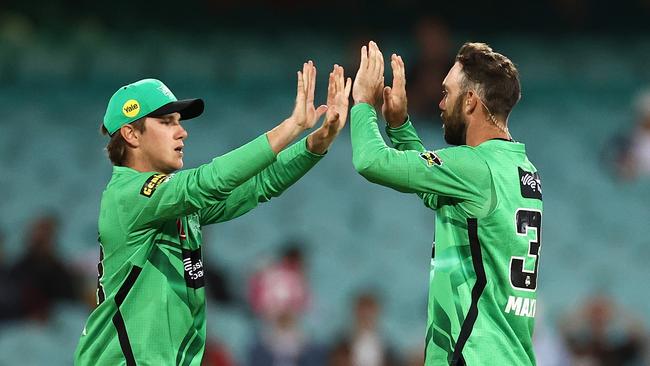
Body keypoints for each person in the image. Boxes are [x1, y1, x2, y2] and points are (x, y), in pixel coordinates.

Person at [74, 62, 352, 365]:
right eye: (167, 122)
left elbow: (260, 184)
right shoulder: (128, 194)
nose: (182, 132)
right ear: (131, 134)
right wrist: (292, 127)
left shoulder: (173, 202)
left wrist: (315, 144)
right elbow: (211, 180)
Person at [350, 41, 543, 364]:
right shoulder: (521, 169)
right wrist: (399, 126)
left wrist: (363, 103)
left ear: (470, 101)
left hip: (473, 356)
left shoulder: (474, 166)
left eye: (447, 92)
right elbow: (436, 188)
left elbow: (370, 161)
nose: (440, 103)